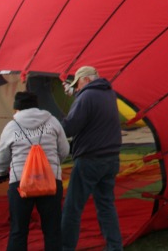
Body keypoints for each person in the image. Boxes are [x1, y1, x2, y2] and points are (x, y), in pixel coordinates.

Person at [0, 91, 69, 251]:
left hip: (20, 184)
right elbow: (64, 150)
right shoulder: (52, 121)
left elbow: (1, 158)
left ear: (17, 109)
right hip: (50, 183)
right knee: (52, 230)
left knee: (18, 231)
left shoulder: (11, 126)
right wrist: (53, 166)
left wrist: (1, 173)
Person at [61, 66, 123, 251]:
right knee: (106, 205)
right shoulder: (109, 94)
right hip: (111, 158)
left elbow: (69, 128)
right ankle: (115, 247)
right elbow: (89, 104)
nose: (76, 88)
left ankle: (65, 247)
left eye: (77, 84)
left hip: (90, 159)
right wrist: (75, 94)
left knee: (73, 207)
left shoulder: (86, 97)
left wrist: (53, 125)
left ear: (86, 80)